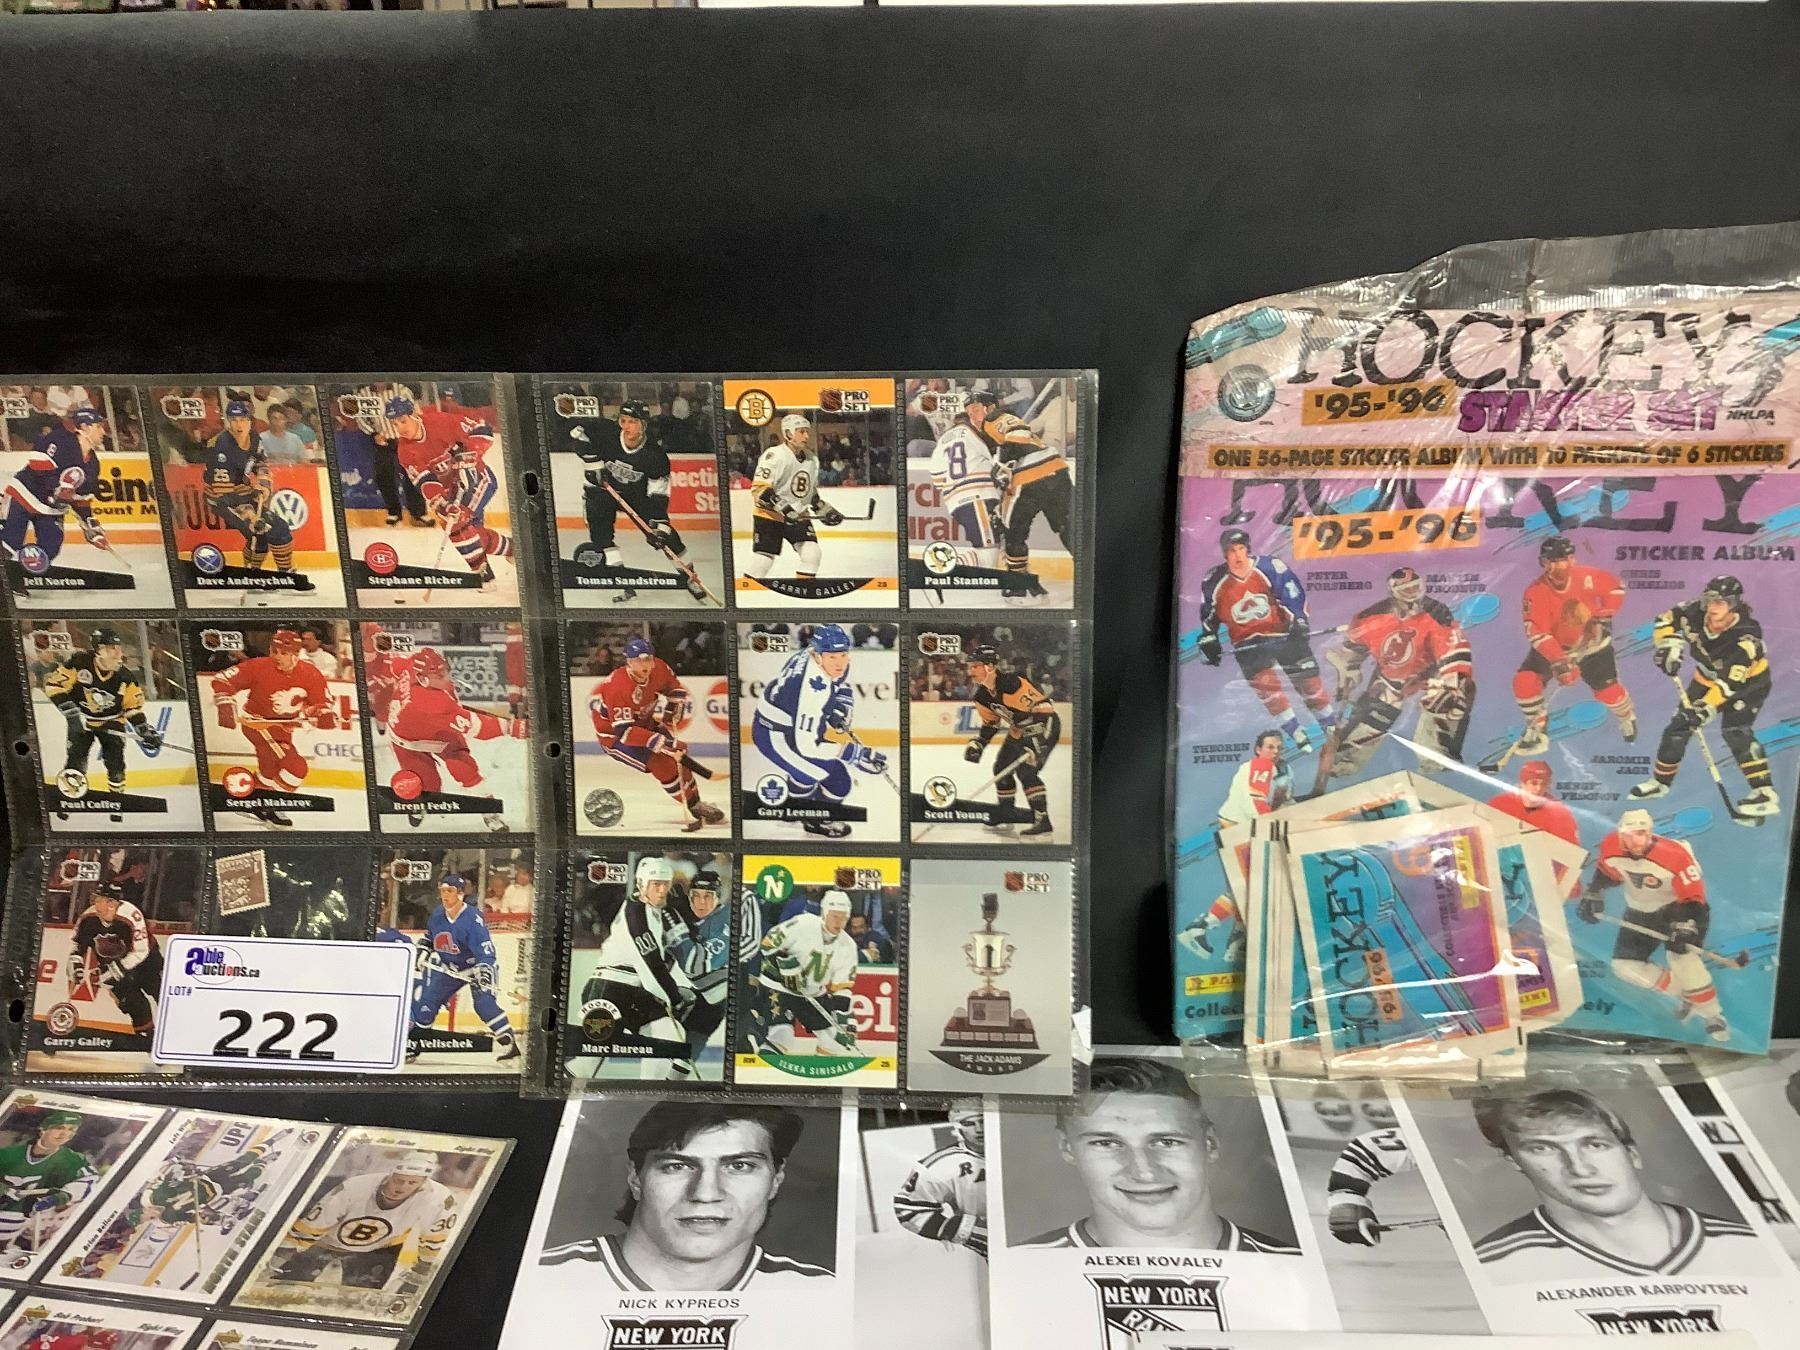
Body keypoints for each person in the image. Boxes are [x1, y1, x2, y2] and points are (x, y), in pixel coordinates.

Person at [539, 1101, 829, 1291]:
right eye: (676, 1166)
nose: (705, 1193)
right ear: (635, 1177)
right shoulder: (545, 1277)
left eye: (739, 1166)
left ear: (776, 1179)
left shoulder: (819, 1293)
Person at [1018, 1056, 1298, 1252]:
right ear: (1067, 1148)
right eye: (1106, 1143)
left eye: (1166, 1142)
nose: (1144, 1172)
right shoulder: (1019, 1269)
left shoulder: (1290, 1266)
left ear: (1210, 1143)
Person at [1471, 1089, 1759, 1275]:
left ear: (1632, 1154)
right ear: (1514, 1161)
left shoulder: (1747, 1245)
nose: (1580, 1168)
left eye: (1595, 1145)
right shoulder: (1493, 1265)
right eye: (1543, 1148)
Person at [1633, 575, 1778, 818]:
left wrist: (1705, 709)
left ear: (1733, 604)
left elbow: (1730, 683)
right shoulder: (1693, 611)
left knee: (1735, 731)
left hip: (1748, 684)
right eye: (1709, 600)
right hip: (1706, 678)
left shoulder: (1746, 634)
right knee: (1679, 725)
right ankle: (1660, 783)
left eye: (1720, 602)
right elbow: (1664, 620)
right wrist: (1669, 644)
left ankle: (1765, 792)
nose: (1712, 607)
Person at [1580, 808, 1727, 1042]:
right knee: (1625, 966)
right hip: (1641, 911)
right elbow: (1608, 872)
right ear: (1620, 834)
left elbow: (1694, 896)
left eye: (1640, 834)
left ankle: (1713, 1016)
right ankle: (1685, 994)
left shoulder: (1675, 854)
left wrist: (1686, 926)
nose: (1634, 841)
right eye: (1628, 835)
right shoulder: (1611, 846)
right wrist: (1594, 893)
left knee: (1682, 958)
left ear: (1649, 833)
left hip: (1680, 909)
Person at [1196, 528, 1335, 753]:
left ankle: (1329, 725)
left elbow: (1293, 594)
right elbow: (1208, 614)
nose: (1238, 555)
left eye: (1241, 548)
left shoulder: (1270, 567)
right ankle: (1296, 731)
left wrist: (1299, 620)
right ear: (1225, 554)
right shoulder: (1214, 580)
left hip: (1283, 635)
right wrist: (1209, 637)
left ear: (1248, 549)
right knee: (1268, 689)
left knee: (1309, 683)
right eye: (1232, 551)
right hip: (1247, 643)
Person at [1326, 567, 1474, 777]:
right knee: (1376, 708)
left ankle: (1438, 762)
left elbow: (1455, 654)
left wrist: (1453, 685)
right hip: (1392, 677)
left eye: (1415, 587)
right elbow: (1351, 652)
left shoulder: (1437, 614)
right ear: (1394, 592)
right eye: (1406, 589)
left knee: (1448, 697)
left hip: (1430, 674)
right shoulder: (1370, 617)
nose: (1412, 594)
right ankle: (1343, 762)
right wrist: (1348, 670)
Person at [750, 623, 886, 839]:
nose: (839, 662)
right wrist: (854, 754)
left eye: (843, 655)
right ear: (819, 655)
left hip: (784, 723)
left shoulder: (812, 653)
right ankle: (817, 821)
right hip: (777, 738)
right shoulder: (810, 693)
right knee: (838, 779)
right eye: (832, 657)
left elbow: (837, 682)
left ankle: (794, 807)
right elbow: (808, 747)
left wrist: (840, 702)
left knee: (806, 773)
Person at [571, 399, 708, 601]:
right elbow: (577, 432)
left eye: (632, 422)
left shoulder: (656, 456)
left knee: (667, 536)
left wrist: (660, 527)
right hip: (601, 490)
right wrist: (592, 463)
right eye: (623, 420)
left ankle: (690, 577)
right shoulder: (606, 431)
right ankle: (621, 582)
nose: (626, 426)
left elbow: (658, 495)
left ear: (643, 425)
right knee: (601, 537)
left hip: (636, 495)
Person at [577, 857, 698, 1082]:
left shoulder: (652, 910)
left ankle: (652, 1092)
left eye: (665, 884)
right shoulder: (636, 914)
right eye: (656, 884)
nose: (662, 890)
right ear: (641, 884)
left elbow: (661, 959)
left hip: (633, 990)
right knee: (587, 1064)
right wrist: (674, 997)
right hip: (609, 990)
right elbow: (651, 964)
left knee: (673, 1038)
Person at [384, 644, 529, 833]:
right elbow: (479, 728)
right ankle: (418, 803)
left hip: (436, 731)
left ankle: (489, 811)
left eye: (445, 671)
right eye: (440, 676)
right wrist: (515, 728)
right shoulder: (431, 703)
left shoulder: (413, 665)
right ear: (422, 679)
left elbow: (395, 664)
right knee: (430, 786)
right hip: (410, 744)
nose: (447, 677)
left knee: (464, 768)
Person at [1513, 535, 1633, 753]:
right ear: (1544, 563)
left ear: (1572, 560)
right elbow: (1537, 632)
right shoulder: (1535, 592)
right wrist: (1560, 661)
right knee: (1525, 681)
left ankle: (1626, 716)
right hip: (1556, 648)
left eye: (1565, 559)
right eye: (1554, 560)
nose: (1561, 566)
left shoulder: (1586, 576)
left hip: (1593, 647)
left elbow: (1615, 588)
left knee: (1608, 692)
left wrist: (1604, 615)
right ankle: (1537, 729)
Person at [589, 636, 723, 832]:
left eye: (648, 659)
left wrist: (675, 705)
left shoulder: (658, 667)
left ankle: (696, 804)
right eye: (639, 660)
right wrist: (664, 742)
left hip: (645, 724)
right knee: (663, 765)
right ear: (629, 662)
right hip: (615, 737)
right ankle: (692, 804)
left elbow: (673, 687)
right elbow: (624, 731)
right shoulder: (618, 687)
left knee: (679, 760)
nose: (645, 664)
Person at [271, 1151, 457, 1289]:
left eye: (412, 1183)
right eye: (399, 1180)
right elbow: (315, 1223)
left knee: (358, 1302)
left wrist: (422, 1268)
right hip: (325, 1243)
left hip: (380, 1250)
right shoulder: (355, 1187)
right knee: (282, 1288)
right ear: (390, 1175)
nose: (402, 1187)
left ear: (423, 1183)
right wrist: (282, 1253)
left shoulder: (438, 1199)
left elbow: (436, 1236)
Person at [383, 394, 513, 591]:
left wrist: (470, 452)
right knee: (464, 528)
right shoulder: (405, 451)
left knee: (458, 525)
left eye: (403, 420)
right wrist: (443, 504)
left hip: (478, 480)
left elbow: (482, 429)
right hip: (451, 492)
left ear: (414, 414)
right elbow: (425, 481)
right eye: (395, 424)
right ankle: (510, 550)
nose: (400, 428)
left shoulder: (439, 421)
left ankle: (483, 573)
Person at [210, 628, 337, 828]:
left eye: (283, 653)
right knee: (296, 767)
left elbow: (321, 700)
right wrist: (225, 702)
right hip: (259, 724)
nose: (277, 656)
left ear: (295, 654)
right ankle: (273, 805)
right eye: (274, 651)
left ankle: (251, 797)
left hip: (284, 729)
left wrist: (321, 712)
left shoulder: (309, 672)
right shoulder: (258, 666)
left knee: (270, 771)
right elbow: (223, 679)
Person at [44, 626, 161, 823]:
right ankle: (68, 799)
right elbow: (54, 686)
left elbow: (132, 708)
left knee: (115, 764)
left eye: (119, 648)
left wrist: (144, 730)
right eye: (112, 648)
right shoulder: (79, 663)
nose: (118, 654)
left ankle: (116, 802)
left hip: (112, 721)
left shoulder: (125, 677)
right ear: (98, 650)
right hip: (82, 720)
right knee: (75, 761)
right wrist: (72, 716)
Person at [406, 873, 520, 1064]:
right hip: (450, 969)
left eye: (450, 891)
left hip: (476, 968)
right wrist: (423, 952)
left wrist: (484, 973)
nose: (445, 895)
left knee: (484, 1005)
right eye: (443, 890)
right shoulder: (437, 915)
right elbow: (429, 938)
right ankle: (415, 1045)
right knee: (426, 1005)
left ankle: (510, 1047)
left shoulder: (472, 919)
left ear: (460, 894)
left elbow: (485, 952)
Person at [202, 398, 312, 591]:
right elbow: (222, 491)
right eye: (234, 420)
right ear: (228, 421)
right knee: (259, 531)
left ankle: (281, 575)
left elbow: (260, 462)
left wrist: (263, 483)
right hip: (222, 499)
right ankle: (253, 576)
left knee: (277, 530)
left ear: (249, 420)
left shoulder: (254, 437)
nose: (239, 424)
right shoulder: (220, 446)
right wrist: (250, 514)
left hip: (243, 492)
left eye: (243, 419)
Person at [747, 891, 863, 1058]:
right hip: (779, 987)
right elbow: (768, 944)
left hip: (812, 992)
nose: (839, 922)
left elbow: (842, 989)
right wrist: (786, 966)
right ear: (824, 913)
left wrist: (844, 1021)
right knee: (782, 1035)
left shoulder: (848, 946)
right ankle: (764, 1070)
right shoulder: (804, 923)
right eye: (834, 916)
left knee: (834, 1041)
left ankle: (817, 1073)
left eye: (843, 917)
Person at [1, 406, 114, 570]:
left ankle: (25, 574)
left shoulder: (93, 465)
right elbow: (37, 462)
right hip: (25, 495)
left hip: (51, 509)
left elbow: (82, 500)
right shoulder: (59, 439)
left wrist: (91, 527)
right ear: (84, 427)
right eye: (99, 426)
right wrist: (57, 488)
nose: (103, 432)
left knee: (51, 545)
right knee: (10, 541)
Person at [965, 645, 1059, 837]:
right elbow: (991, 724)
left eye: (975, 666)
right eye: (970, 666)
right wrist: (979, 743)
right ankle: (1007, 812)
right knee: (1002, 768)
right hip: (1019, 731)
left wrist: (1037, 743)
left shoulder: (1011, 683)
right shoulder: (982, 696)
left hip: (1044, 726)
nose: (971, 671)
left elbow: (1044, 709)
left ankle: (1042, 820)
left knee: (1027, 771)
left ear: (990, 666)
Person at [743, 413, 841, 583]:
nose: (806, 436)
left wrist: (824, 509)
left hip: (798, 516)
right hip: (769, 516)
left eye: (807, 431)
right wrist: (784, 508)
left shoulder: (811, 458)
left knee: (812, 553)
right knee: (763, 560)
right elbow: (760, 490)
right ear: (788, 433)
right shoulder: (774, 455)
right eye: (801, 432)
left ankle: (804, 589)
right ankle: (747, 589)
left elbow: (808, 492)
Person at [67, 882, 164, 1042]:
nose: (95, 903)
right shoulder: (87, 919)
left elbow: (141, 951)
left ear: (112, 903)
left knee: (162, 992)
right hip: (112, 964)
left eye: (100, 899)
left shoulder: (131, 915)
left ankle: (181, 1030)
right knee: (133, 1003)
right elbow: (77, 947)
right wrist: (76, 965)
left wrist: (113, 971)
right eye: (95, 899)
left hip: (146, 962)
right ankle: (146, 1039)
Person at [893, 1102, 987, 1257]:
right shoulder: (944, 1162)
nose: (979, 1129)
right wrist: (961, 1230)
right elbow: (907, 1207)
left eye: (983, 1121)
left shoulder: (1021, 1149)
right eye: (969, 1123)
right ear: (958, 1127)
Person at [0, 1111, 98, 1252]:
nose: (64, 1134)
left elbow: (89, 1180)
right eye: (59, 1128)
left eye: (71, 1129)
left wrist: (63, 1196)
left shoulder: (73, 1160)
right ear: (43, 1129)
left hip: (18, 1217)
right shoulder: (9, 1152)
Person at [928, 395, 1002, 576]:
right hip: (978, 498)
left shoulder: (943, 440)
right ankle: (940, 570)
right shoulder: (976, 433)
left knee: (993, 547)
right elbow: (998, 462)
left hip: (957, 504)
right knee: (988, 557)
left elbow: (937, 479)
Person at [667, 864, 730, 1064]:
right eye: (696, 896)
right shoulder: (692, 920)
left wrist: (674, 925)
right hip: (709, 997)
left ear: (718, 897)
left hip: (732, 997)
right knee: (681, 1057)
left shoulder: (726, 920)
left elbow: (695, 965)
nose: (701, 903)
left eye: (708, 896)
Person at [1488, 759, 1580, 845]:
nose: (1539, 789)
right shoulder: (1499, 804)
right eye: (1534, 783)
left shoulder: (1560, 814)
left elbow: (1570, 851)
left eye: (1544, 784)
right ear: (1523, 783)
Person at [1217, 729, 1290, 826]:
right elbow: (1256, 802)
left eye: (1279, 748)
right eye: (1270, 747)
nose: (1276, 751)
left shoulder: (1268, 767)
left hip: (1234, 819)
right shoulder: (1261, 766)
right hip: (1236, 823)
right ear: (1258, 750)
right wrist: (1268, 821)